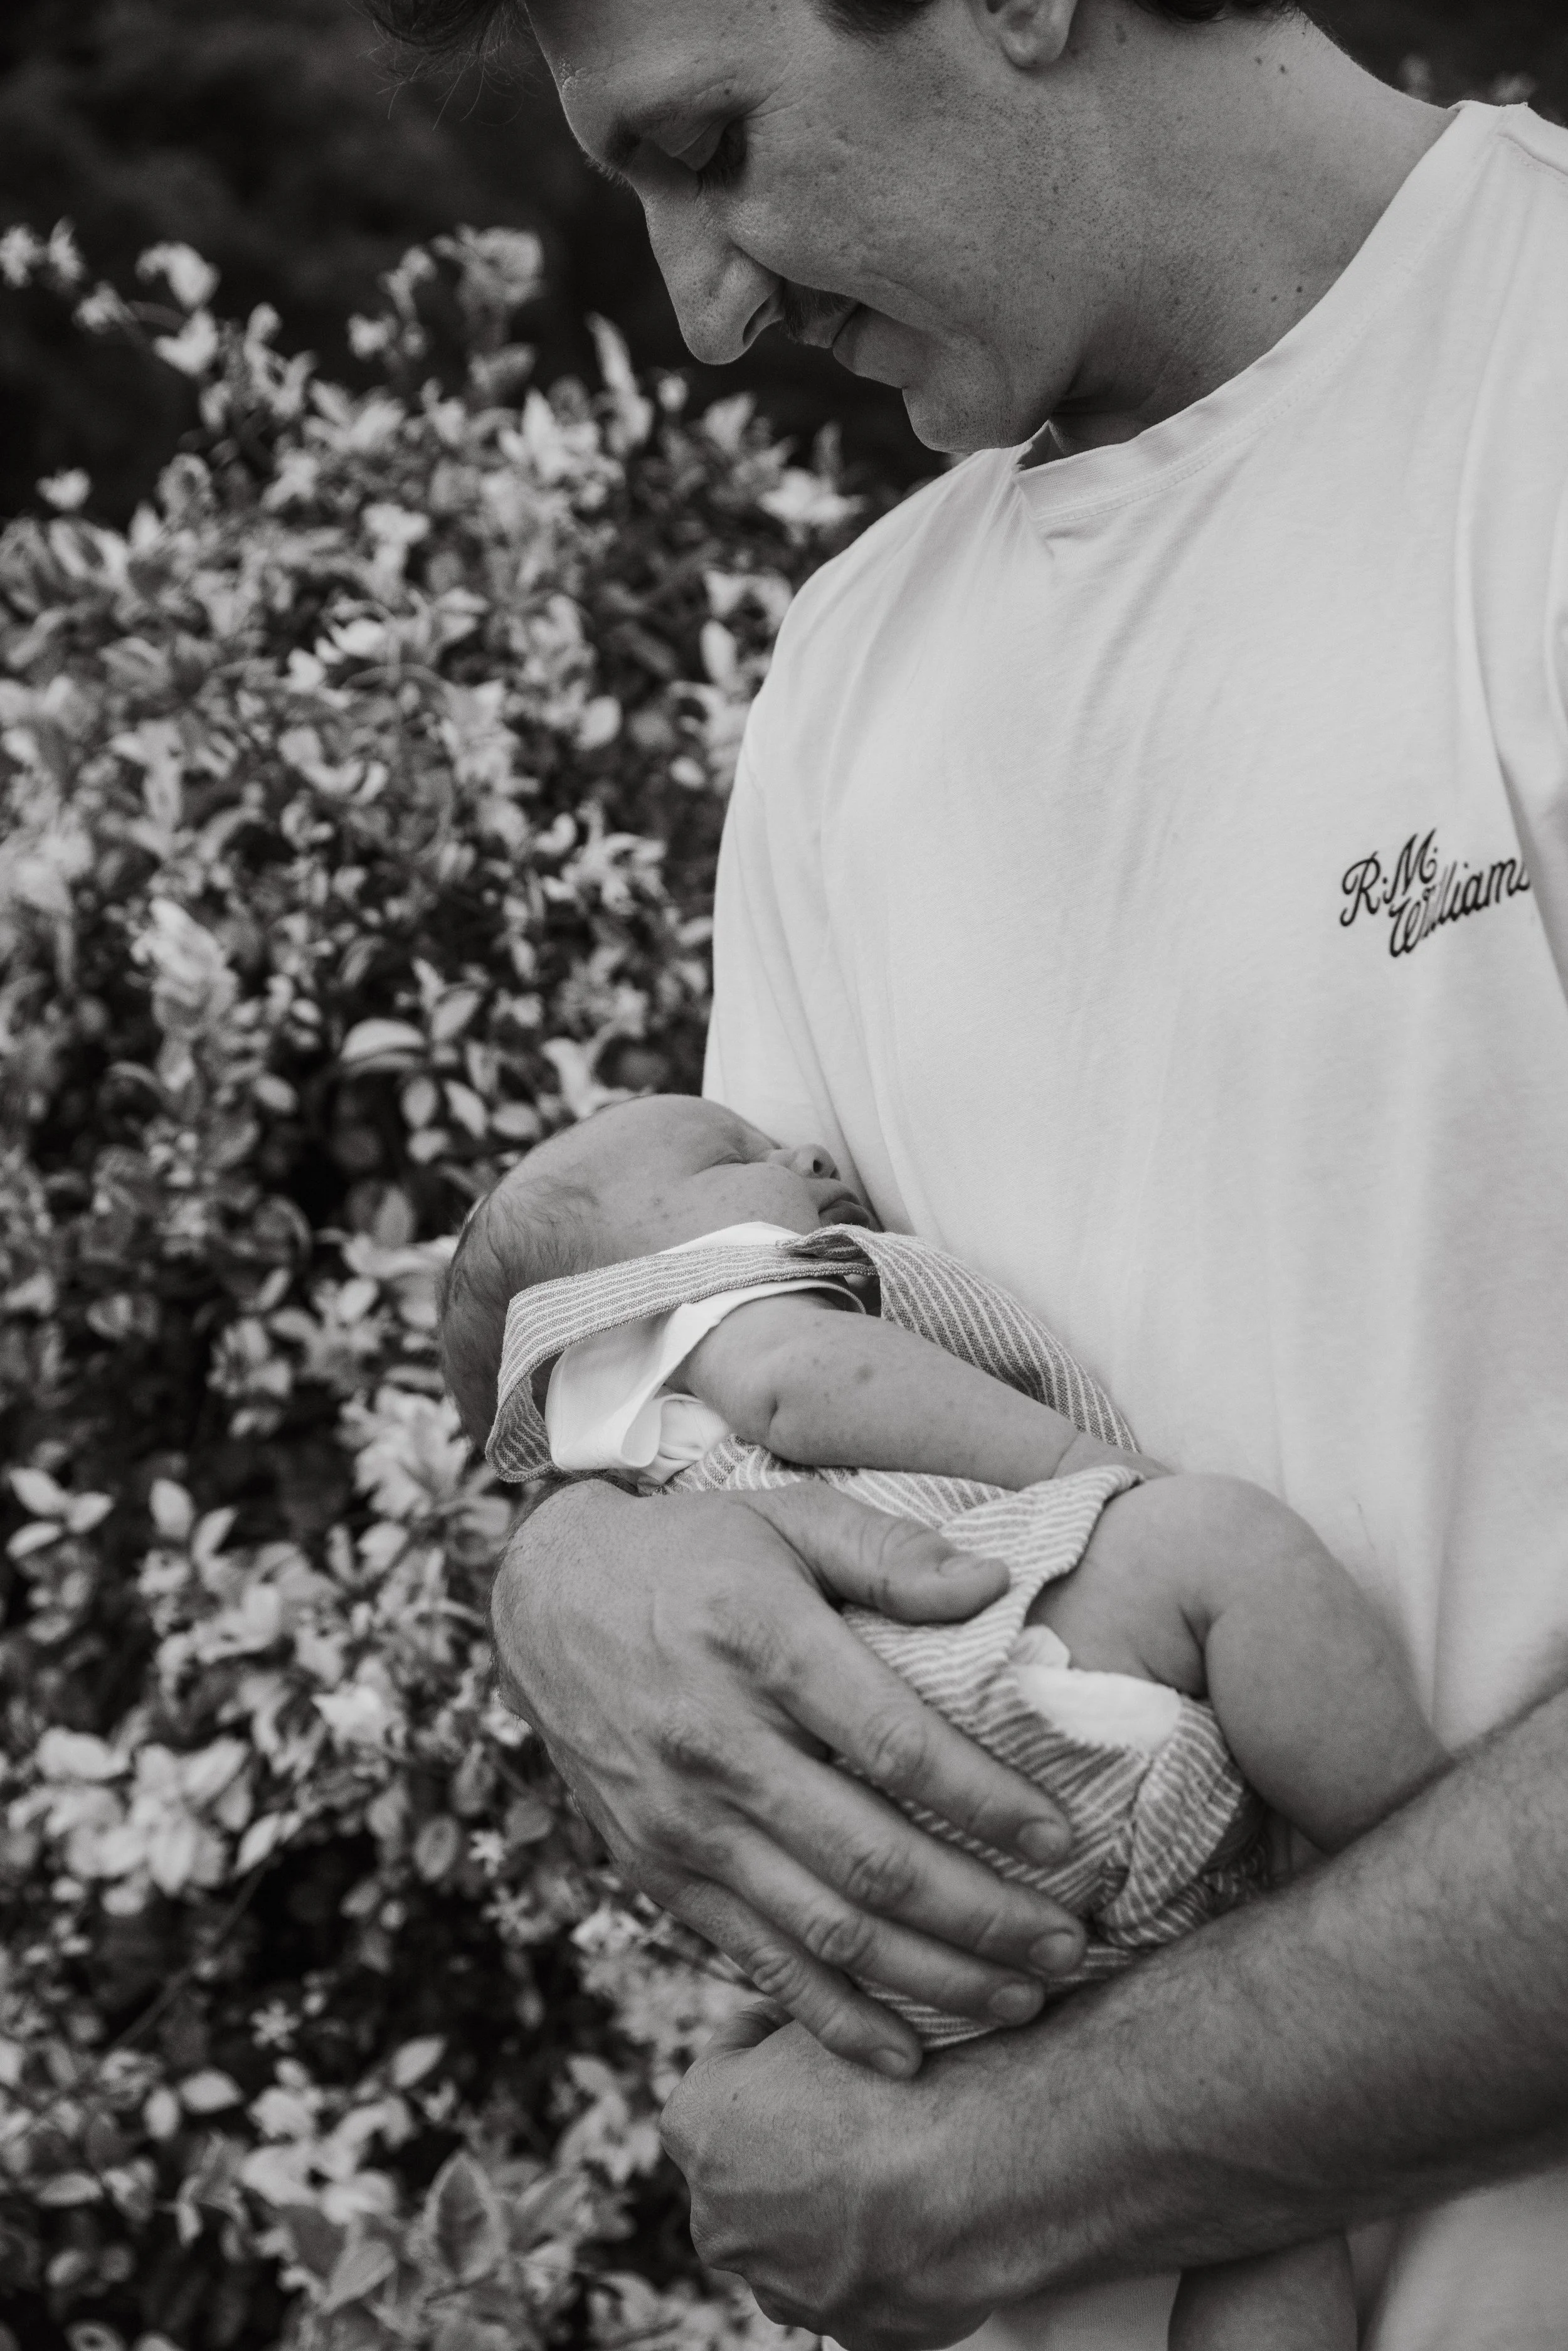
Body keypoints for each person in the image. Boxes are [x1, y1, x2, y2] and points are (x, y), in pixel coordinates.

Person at [379, 0, 1568, 2343]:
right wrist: (563, 1570)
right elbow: (752, 1389)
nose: (701, 305)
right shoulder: (849, 675)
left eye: (714, 144)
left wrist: (1016, 2156)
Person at [440, 1088, 1451, 2346]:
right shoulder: (706, 1316)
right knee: (1221, 1548)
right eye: (726, 1157)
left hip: (916, 1935)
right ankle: (1419, 1851)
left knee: (1257, 2178)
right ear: (613, 1286)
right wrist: (1083, 1471)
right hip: (983, 1709)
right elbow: (807, 1386)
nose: (799, 1149)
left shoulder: (632, 1472)